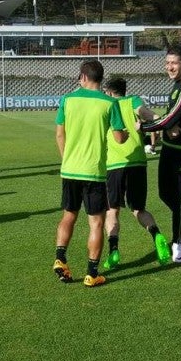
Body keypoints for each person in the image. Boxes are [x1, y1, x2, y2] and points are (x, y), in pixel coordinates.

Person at [53, 60, 128, 287]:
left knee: (69, 215)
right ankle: (92, 273)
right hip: (94, 172)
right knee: (96, 222)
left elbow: (59, 135)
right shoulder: (109, 103)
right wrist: (127, 133)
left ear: (83, 77)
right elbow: (119, 138)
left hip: (70, 169)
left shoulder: (67, 100)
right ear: (100, 78)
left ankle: (60, 258)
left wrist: (68, 159)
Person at [140, 43, 181, 264]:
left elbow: (170, 117)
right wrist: (168, 127)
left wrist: (143, 128)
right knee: (165, 195)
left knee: (180, 200)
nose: (170, 67)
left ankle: (178, 244)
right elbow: (171, 118)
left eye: (174, 63)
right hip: (169, 149)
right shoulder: (177, 84)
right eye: (167, 63)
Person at [100, 77, 170, 269]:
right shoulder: (134, 101)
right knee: (138, 209)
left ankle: (113, 251)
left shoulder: (107, 104)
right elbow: (148, 115)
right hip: (138, 164)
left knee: (112, 210)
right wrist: (165, 123)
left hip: (114, 164)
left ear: (110, 91)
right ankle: (157, 235)